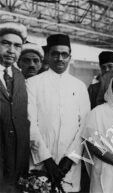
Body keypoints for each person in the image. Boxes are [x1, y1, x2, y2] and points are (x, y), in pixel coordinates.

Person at [27, 34, 90, 192]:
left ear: (70, 57)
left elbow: (85, 127)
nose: (60, 58)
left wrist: (70, 159)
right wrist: (47, 160)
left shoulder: (80, 86)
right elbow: (30, 125)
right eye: (55, 53)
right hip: (40, 164)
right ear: (47, 56)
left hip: (69, 168)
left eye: (64, 54)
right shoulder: (32, 84)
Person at [0, 22, 30, 193]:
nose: (12, 50)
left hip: (16, 169)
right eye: (6, 43)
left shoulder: (19, 78)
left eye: (17, 46)